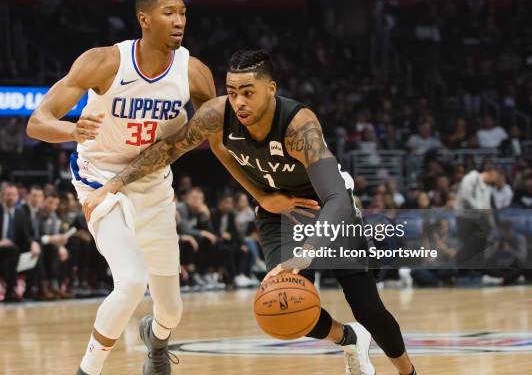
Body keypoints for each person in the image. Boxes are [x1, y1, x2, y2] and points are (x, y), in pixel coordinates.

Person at [28, 0, 305, 375]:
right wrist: (71, 130)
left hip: (154, 182)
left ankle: (156, 340)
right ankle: (88, 370)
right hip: (100, 177)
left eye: (183, 13)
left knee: (172, 310)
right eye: (169, 13)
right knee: (130, 281)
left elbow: (221, 145)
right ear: (145, 19)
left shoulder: (193, 73)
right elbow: (36, 122)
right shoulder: (104, 62)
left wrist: (263, 196)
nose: (179, 21)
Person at [85, 50, 417, 375]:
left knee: (369, 309)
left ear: (270, 89)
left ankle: (407, 371)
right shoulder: (218, 115)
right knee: (285, 306)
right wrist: (112, 184)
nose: (239, 102)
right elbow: (169, 149)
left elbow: (336, 197)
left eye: (248, 93)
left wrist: (309, 251)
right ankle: (350, 338)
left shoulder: (298, 126)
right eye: (232, 93)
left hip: (328, 209)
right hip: (279, 213)